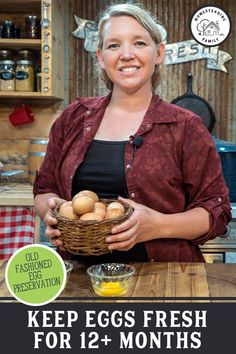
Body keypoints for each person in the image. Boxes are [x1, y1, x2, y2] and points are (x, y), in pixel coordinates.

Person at [34, 3, 231, 263]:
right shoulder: (74, 117)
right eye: (114, 45)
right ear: (102, 57)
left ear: (158, 53)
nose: (127, 54)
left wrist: (158, 226)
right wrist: (53, 214)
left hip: (164, 281)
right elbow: (44, 189)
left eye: (139, 43)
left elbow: (216, 212)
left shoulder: (185, 126)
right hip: (79, 280)